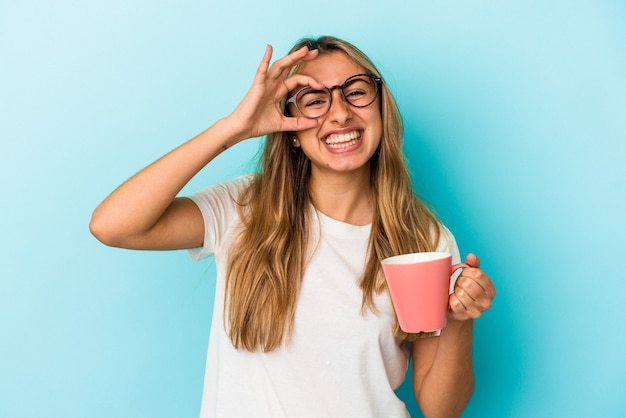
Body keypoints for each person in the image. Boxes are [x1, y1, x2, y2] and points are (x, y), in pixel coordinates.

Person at [90, 35, 496, 418]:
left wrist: (459, 320)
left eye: (355, 91)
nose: (340, 113)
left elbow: (441, 409)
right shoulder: (244, 208)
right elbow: (113, 226)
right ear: (291, 132)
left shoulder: (423, 238)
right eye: (313, 100)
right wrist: (233, 128)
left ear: (380, 109)